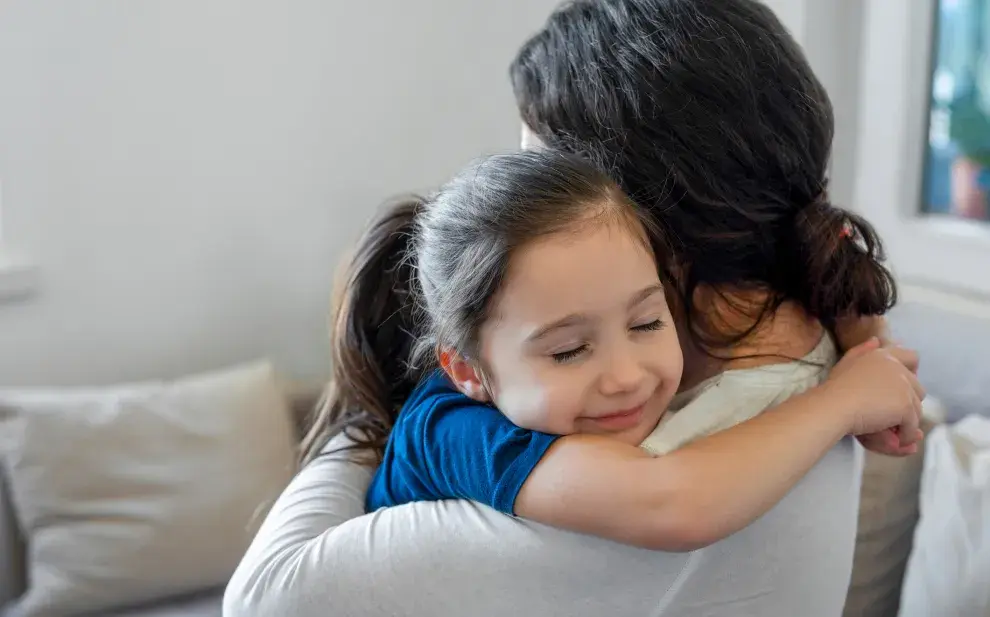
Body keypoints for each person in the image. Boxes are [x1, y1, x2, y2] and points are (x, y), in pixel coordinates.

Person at [224, 1, 924, 615]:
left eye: (548, 171)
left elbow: (267, 598)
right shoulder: (809, 342)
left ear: (642, 219)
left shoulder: (678, 450)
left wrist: (372, 423)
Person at [356, 149, 921, 551]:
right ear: (468, 370)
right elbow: (674, 504)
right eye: (570, 351)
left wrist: (863, 338)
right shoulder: (448, 432)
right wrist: (842, 402)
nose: (626, 376)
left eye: (647, 322)